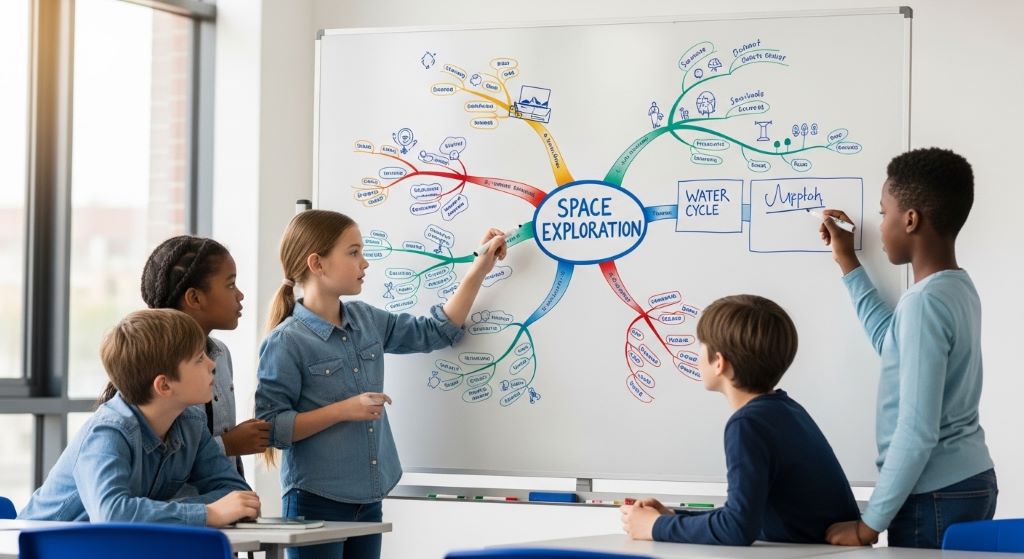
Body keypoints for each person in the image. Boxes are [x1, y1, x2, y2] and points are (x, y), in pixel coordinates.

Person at [255, 209, 507, 559]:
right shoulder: (287, 341)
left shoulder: (365, 319)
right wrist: (343, 411)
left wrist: (479, 268)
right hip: (315, 502)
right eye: (353, 252)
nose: (365, 263)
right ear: (318, 263)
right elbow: (270, 428)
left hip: (369, 500)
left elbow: (435, 331)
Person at [820, 148, 997, 548]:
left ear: (911, 219)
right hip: (965, 482)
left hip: (935, 492)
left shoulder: (924, 303)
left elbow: (917, 430)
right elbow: (892, 344)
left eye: (884, 214)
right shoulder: (955, 288)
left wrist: (869, 526)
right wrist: (847, 261)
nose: (880, 225)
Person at [620, 295, 859, 545]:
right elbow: (747, 517)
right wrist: (672, 518)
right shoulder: (787, 411)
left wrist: (655, 527)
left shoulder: (747, 424)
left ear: (719, 362)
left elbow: (737, 529)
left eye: (701, 345)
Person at [18, 309, 260, 526]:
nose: (212, 364)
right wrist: (207, 512)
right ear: (164, 385)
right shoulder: (108, 432)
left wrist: (208, 509)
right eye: (199, 359)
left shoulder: (191, 423)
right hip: (40, 550)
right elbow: (111, 514)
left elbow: (237, 494)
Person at [126, 235, 270, 475]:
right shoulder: (159, 366)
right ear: (194, 298)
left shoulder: (221, 354)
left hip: (225, 501)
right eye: (230, 284)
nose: (240, 295)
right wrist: (230, 444)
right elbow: (158, 455)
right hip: (184, 507)